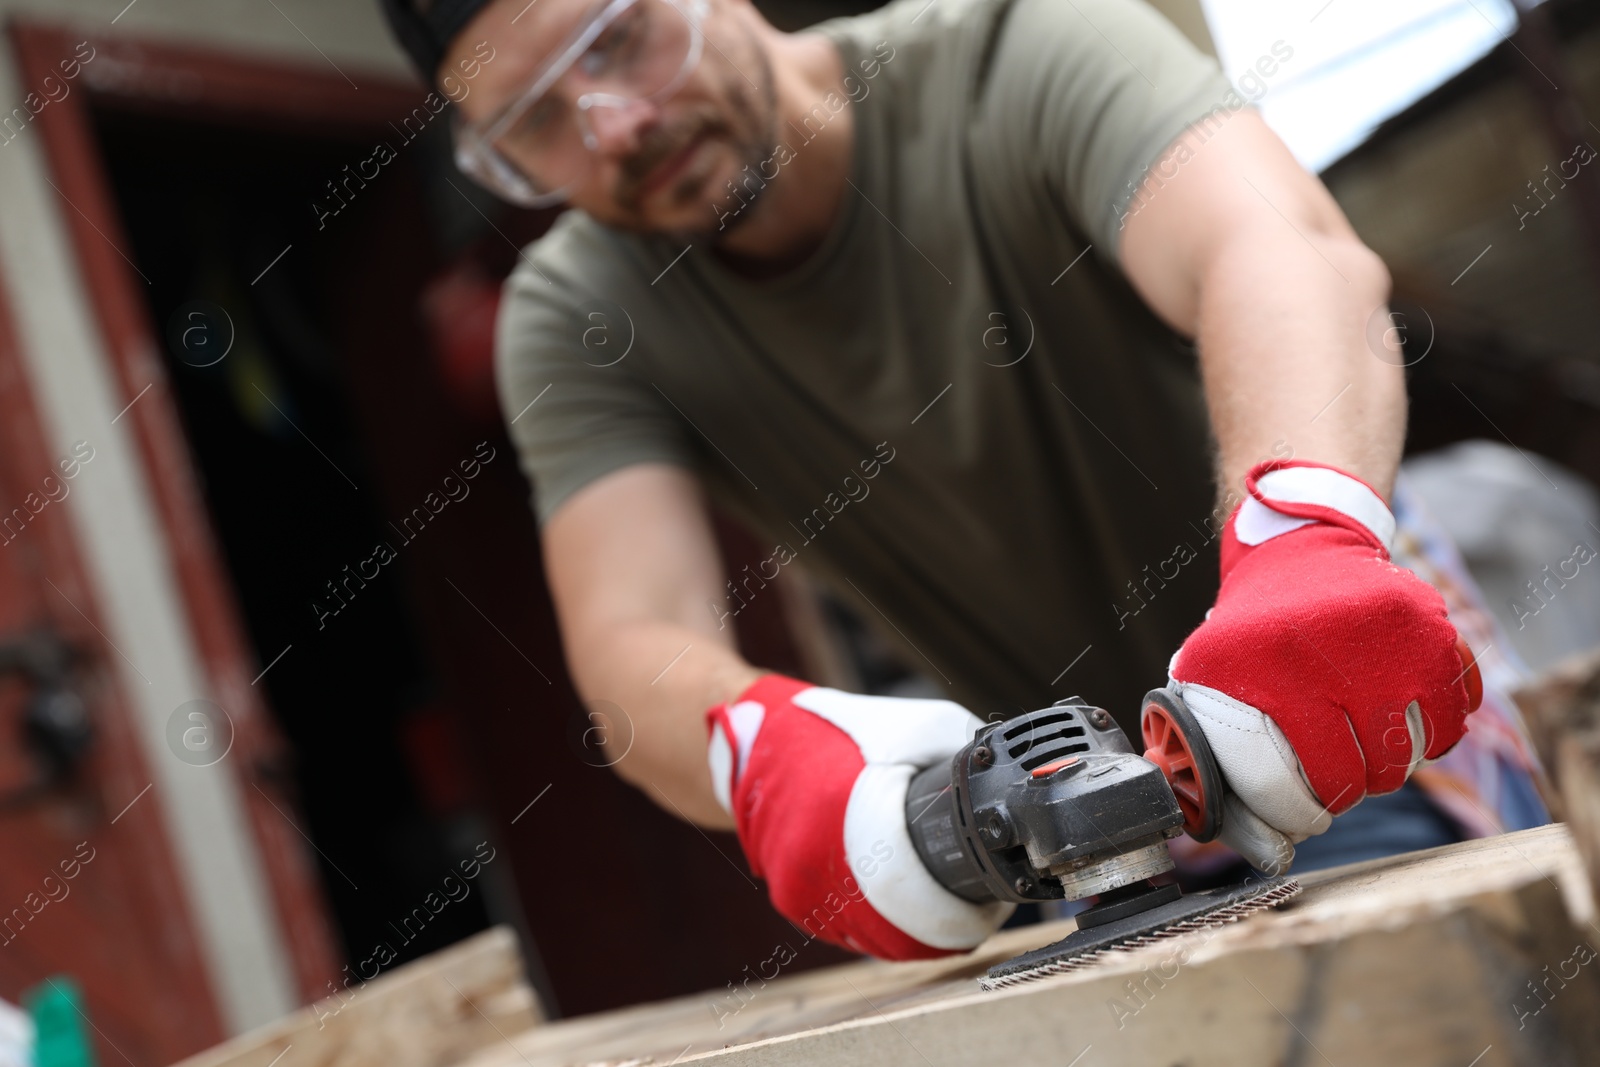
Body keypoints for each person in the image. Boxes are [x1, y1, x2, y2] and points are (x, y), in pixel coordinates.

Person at [380, 0, 1545, 960]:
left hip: (1334, 665)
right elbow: (635, 630)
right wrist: (757, 750)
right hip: (1076, 816)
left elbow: (1276, 250)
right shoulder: (576, 318)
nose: (617, 122)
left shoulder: (1020, 50)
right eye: (538, 122)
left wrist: (1302, 533)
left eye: (618, 36)